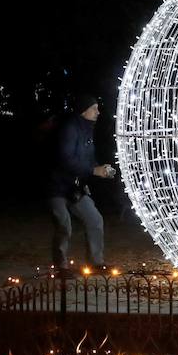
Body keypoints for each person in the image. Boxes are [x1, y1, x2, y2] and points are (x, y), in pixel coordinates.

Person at [48, 93, 116, 270]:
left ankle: (96, 262)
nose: (98, 112)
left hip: (75, 188)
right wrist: (94, 170)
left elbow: (87, 160)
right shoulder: (69, 129)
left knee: (95, 220)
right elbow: (66, 160)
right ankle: (61, 266)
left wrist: (101, 169)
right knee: (64, 226)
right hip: (57, 187)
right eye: (94, 109)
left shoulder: (87, 130)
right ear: (83, 111)